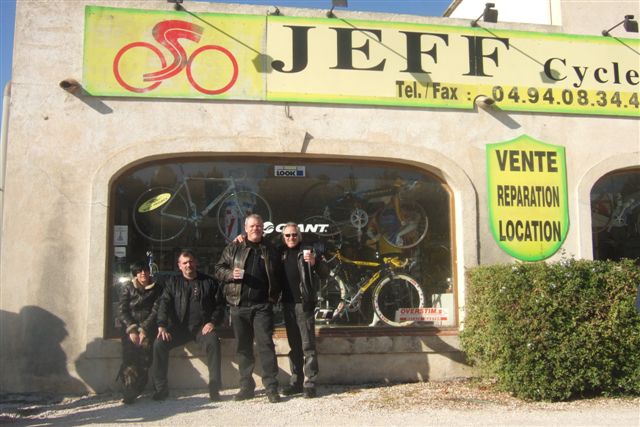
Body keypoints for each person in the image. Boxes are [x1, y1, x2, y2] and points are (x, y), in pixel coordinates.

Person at [215, 214, 282, 403]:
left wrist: (274, 298)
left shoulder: (270, 249)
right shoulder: (234, 247)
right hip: (238, 305)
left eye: (258, 226)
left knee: (266, 346)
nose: (255, 229)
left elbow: (280, 274)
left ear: (263, 228)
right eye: (252, 226)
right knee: (243, 348)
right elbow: (218, 269)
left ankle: (271, 387)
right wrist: (230, 274)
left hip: (262, 306)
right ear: (245, 228)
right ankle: (246, 386)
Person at [151, 251, 225, 401]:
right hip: (179, 328)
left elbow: (220, 305)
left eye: (190, 262)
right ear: (179, 266)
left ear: (195, 263)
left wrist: (212, 322)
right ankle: (160, 388)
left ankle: (214, 387)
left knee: (213, 341)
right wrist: (162, 325)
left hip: (201, 328)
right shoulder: (172, 282)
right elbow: (164, 304)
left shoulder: (209, 282)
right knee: (159, 343)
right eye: (184, 263)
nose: (188, 265)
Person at [279, 222, 319, 398]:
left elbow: (325, 272)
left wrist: (315, 262)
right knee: (294, 346)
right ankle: (296, 382)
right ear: (283, 237)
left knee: (308, 346)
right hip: (287, 305)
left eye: (294, 234)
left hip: (304, 304)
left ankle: (310, 384)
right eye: (287, 235)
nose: (291, 238)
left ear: (299, 236)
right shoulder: (280, 252)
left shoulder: (308, 251)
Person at [117, 260, 164, 404]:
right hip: (130, 328)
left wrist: (144, 329)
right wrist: (132, 329)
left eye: (145, 270)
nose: (143, 273)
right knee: (130, 358)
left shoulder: (157, 289)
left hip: (148, 327)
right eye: (139, 271)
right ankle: (128, 390)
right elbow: (122, 310)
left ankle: (139, 386)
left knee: (144, 358)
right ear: (135, 274)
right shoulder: (128, 287)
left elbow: (156, 311)